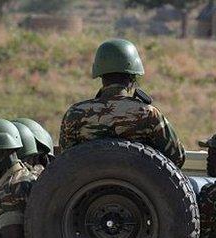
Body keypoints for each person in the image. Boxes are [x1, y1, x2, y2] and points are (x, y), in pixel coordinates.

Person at [59, 38, 185, 167]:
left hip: (88, 186)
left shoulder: (76, 113)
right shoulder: (148, 114)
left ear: (100, 75)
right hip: (138, 186)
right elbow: (177, 158)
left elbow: (65, 160)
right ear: (132, 77)